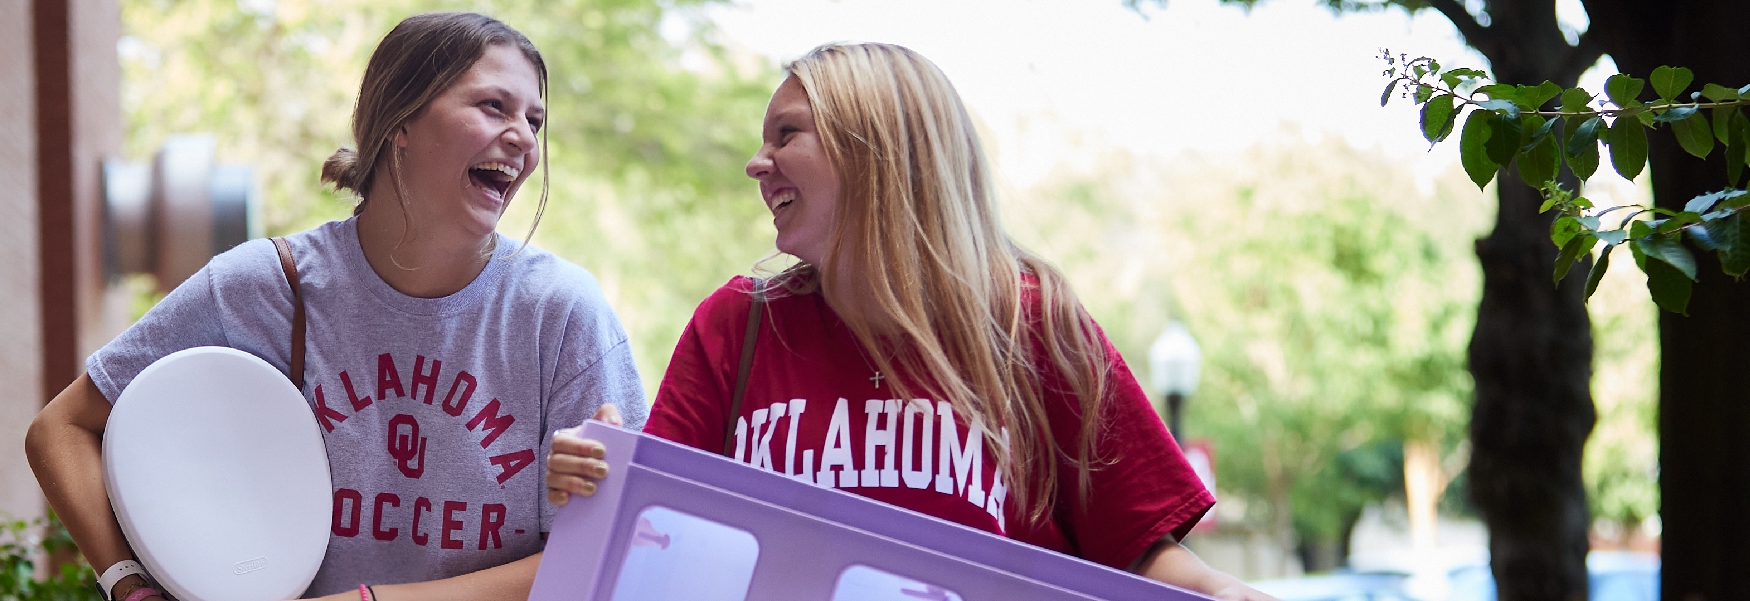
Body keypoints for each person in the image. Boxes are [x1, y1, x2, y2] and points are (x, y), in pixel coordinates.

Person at [545, 42, 1275, 601]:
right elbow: (658, 535)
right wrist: (597, 478)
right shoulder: (734, 324)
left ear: (873, 147)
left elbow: (1140, 551)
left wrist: (1221, 589)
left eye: (785, 135)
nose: (756, 164)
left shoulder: (1036, 322)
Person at [25, 13, 647, 601]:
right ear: (400, 121)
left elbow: (613, 549)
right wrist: (131, 586)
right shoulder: (266, 286)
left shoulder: (561, 314)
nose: (523, 139)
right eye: (494, 106)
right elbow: (62, 429)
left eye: (535, 122)